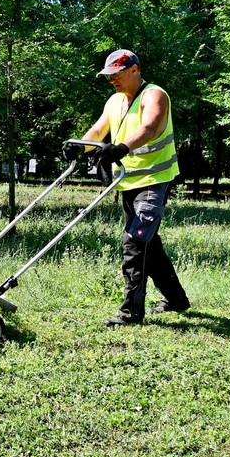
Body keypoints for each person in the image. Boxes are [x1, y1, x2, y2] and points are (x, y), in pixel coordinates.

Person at [70, 48, 190, 326]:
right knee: (150, 246)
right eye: (108, 75)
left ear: (134, 70)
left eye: (117, 74)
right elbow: (98, 131)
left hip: (154, 182)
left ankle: (130, 314)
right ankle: (176, 300)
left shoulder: (155, 95)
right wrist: (77, 147)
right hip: (129, 183)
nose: (112, 79)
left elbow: (150, 128)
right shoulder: (114, 101)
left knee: (135, 244)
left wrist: (122, 148)